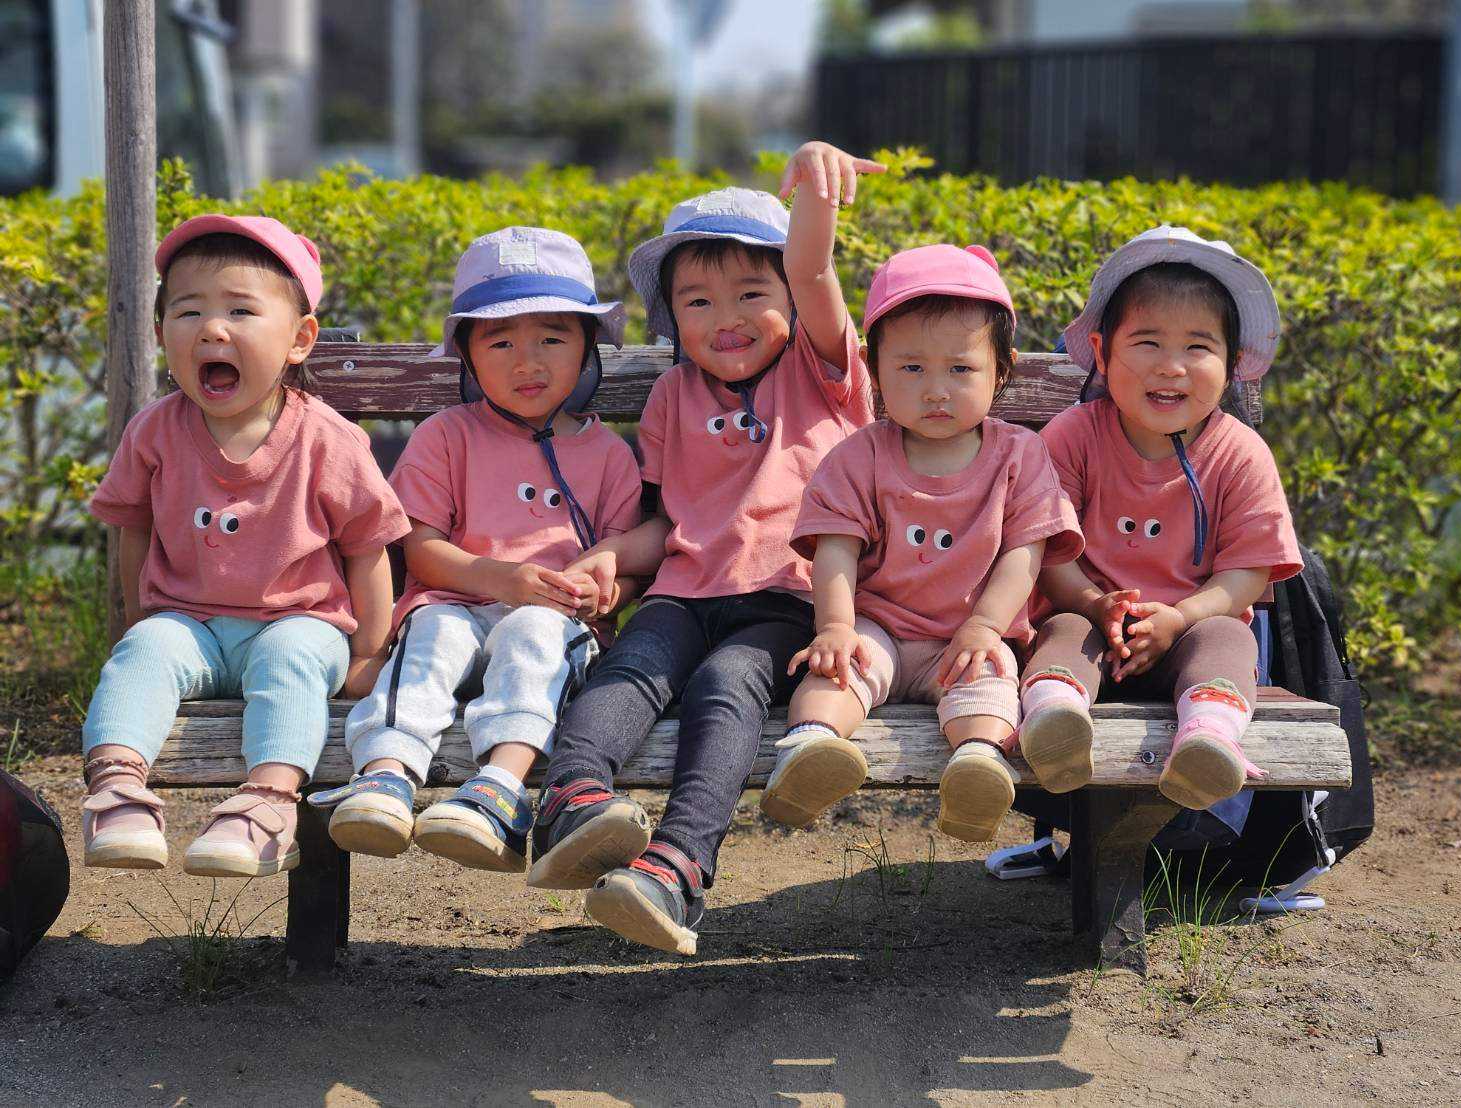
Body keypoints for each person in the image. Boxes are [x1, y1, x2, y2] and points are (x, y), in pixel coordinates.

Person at [526, 142, 882, 955]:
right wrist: (616, 553)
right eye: (696, 302)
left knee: (728, 685)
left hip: (789, 598)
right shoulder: (670, 395)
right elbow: (669, 520)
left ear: (791, 299)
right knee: (631, 668)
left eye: (752, 293)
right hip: (686, 590)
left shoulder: (821, 372)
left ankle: (678, 866)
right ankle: (571, 801)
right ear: (671, 319)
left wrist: (815, 194)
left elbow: (817, 271)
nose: (724, 318)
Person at [81, 215, 408, 876]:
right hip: (191, 626)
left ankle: (267, 802)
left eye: (240, 310)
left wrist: (369, 650)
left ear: (298, 339)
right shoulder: (156, 432)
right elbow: (133, 528)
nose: (212, 328)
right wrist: (144, 622)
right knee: (143, 653)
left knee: (291, 659)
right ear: (160, 333)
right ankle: (116, 791)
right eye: (188, 310)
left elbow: (368, 546)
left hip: (300, 622)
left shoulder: (325, 438)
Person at [307, 228, 641, 872]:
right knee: (431, 628)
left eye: (552, 338)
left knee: (538, 632)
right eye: (500, 341)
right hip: (455, 604)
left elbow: (624, 566)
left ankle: (501, 788)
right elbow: (421, 552)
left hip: (556, 625)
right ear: (465, 353)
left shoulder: (608, 456)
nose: (528, 362)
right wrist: (499, 578)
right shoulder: (446, 436)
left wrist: (604, 589)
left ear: (586, 348)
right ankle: (386, 775)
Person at [766, 244, 1082, 841]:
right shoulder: (859, 455)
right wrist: (834, 625)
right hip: (878, 626)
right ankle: (809, 749)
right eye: (911, 368)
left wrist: (987, 625)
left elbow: (1025, 554)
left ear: (1002, 370)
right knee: (836, 670)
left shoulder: (1019, 455)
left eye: (960, 369)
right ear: (874, 366)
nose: (936, 390)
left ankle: (977, 766)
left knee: (989, 678)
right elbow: (836, 550)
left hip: (966, 636)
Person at [1020, 225, 1302, 810]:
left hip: (1191, 630)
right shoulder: (1074, 436)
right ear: (1102, 352)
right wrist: (1097, 604)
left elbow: (1247, 575)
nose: (1171, 367)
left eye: (1198, 347)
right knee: (1062, 634)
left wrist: (1178, 617)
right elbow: (1045, 549)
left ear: (1232, 364)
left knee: (1228, 637)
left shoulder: (1239, 452)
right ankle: (1055, 724)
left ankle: (1207, 740)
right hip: (1092, 623)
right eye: (1147, 343)